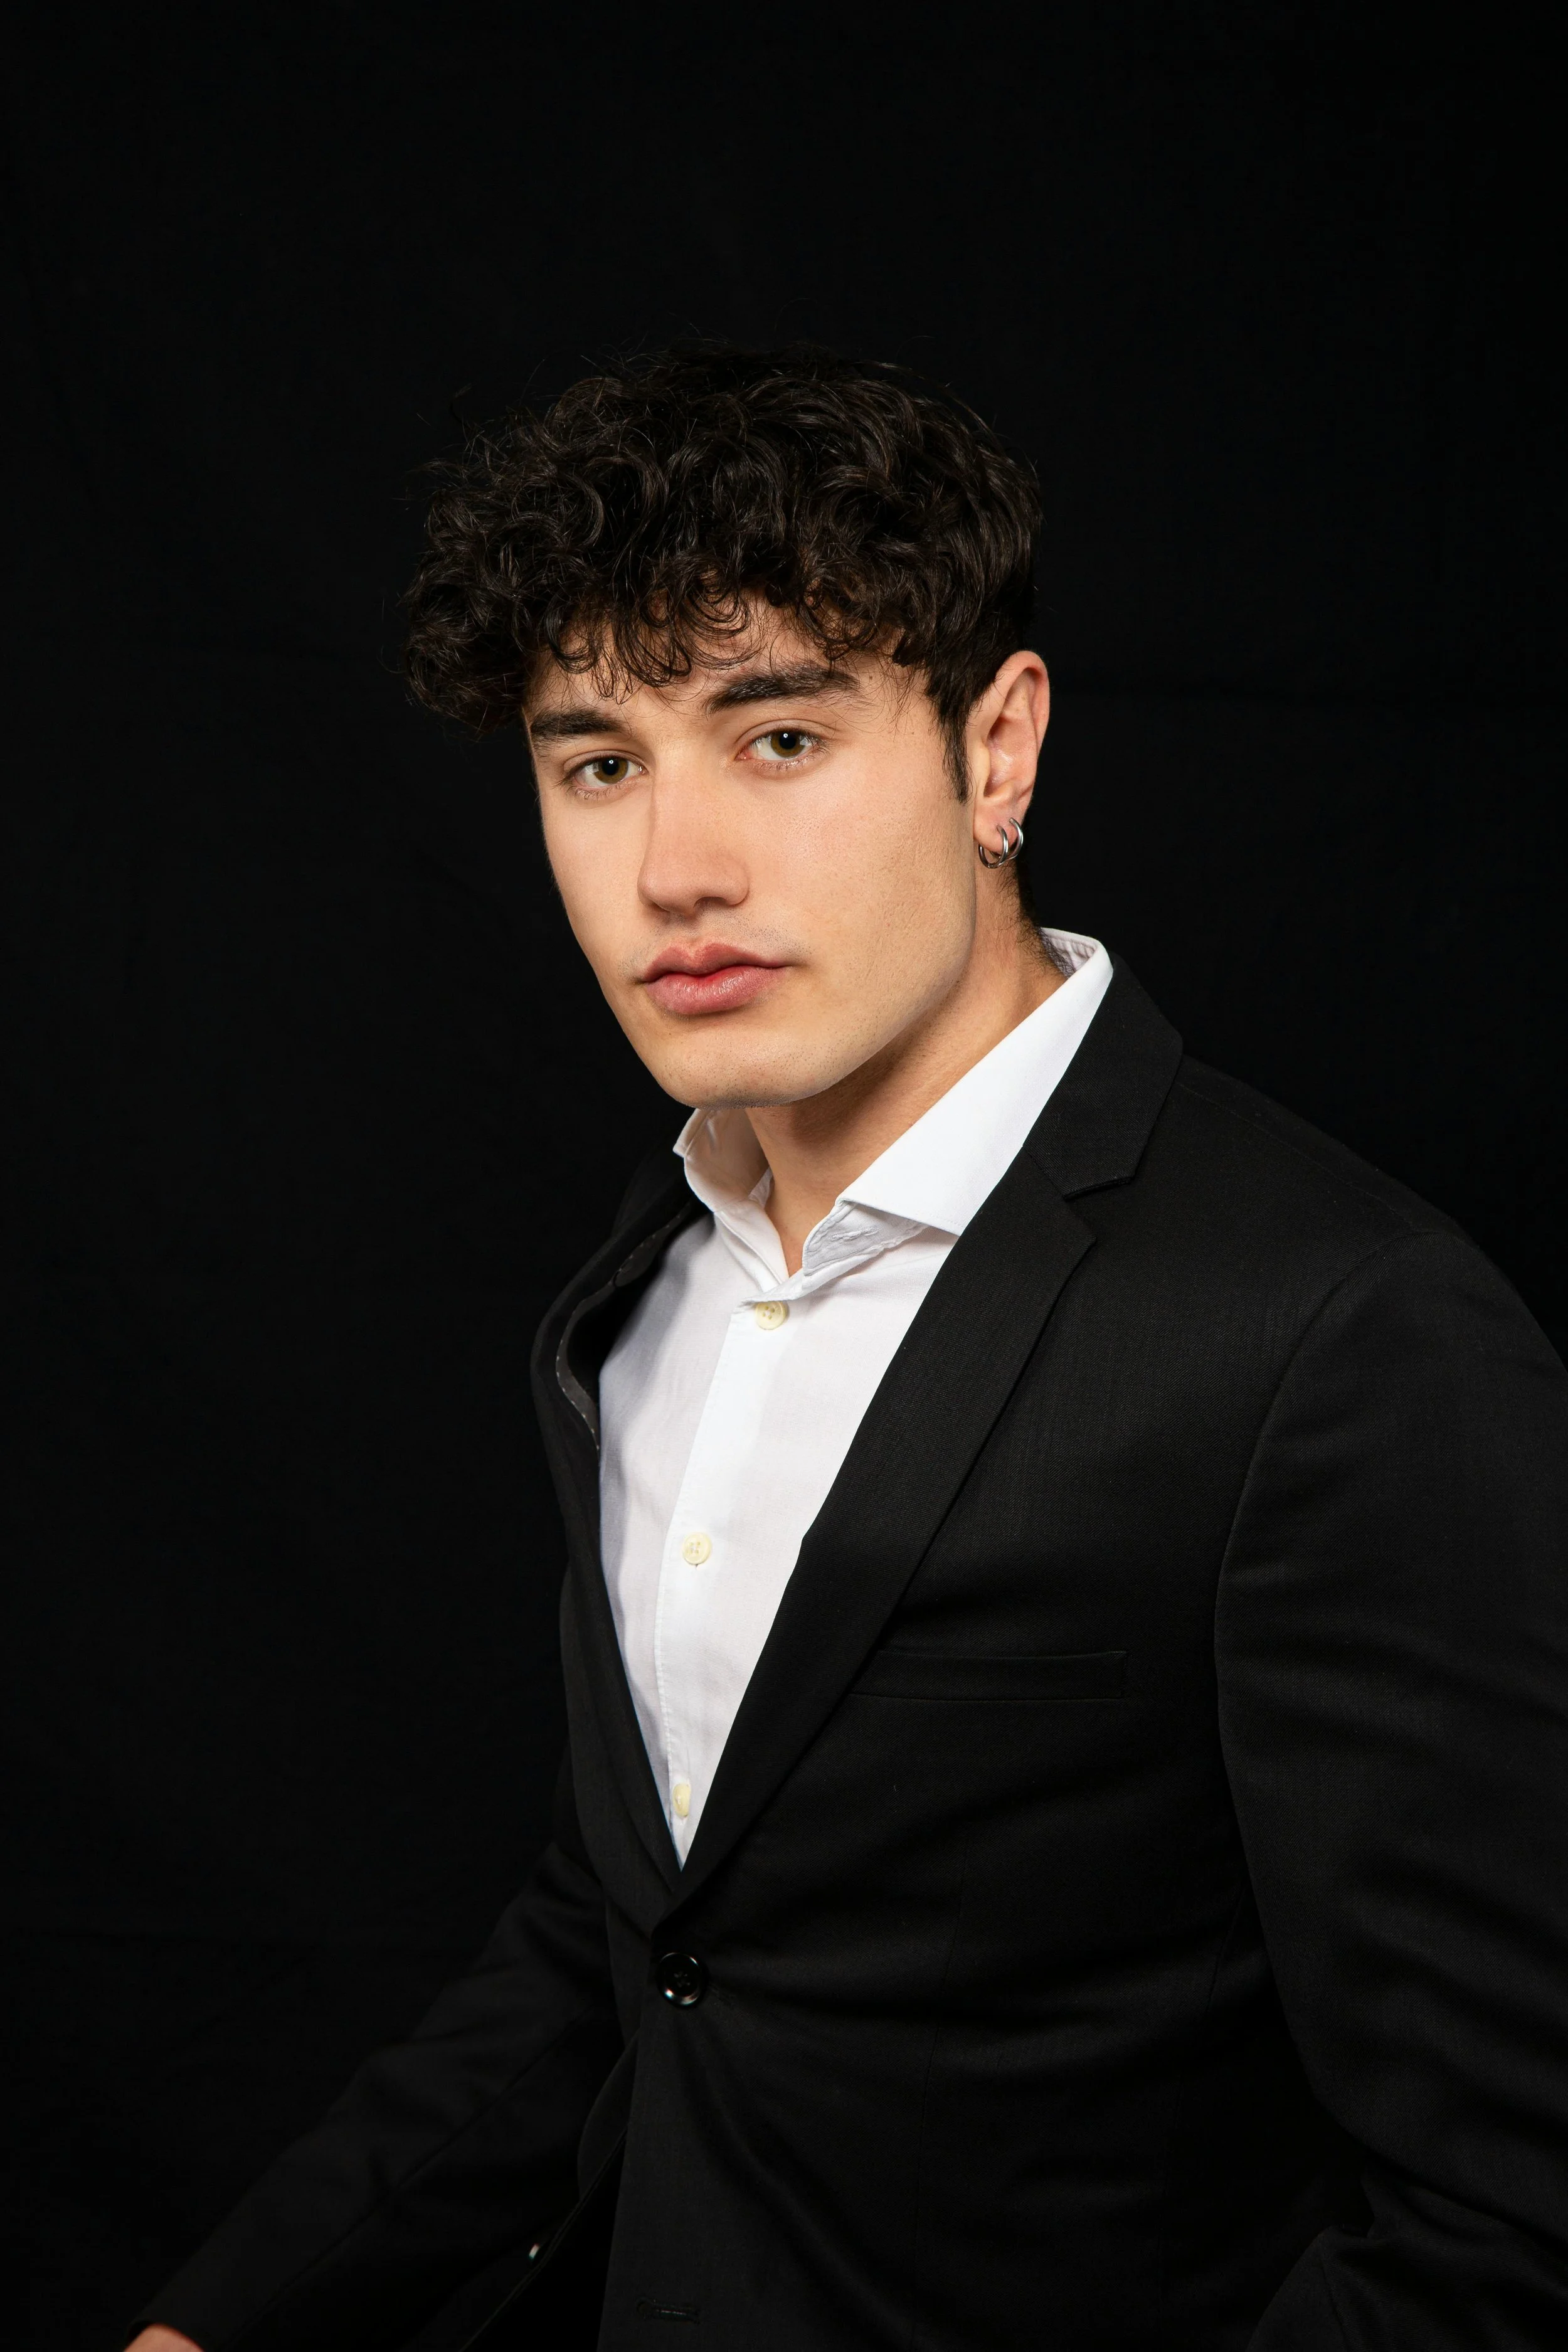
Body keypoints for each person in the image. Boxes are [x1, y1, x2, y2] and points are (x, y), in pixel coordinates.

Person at [129, 347, 1568, 2351]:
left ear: (998, 752)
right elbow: (637, 1934)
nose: (674, 869)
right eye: (597, 760)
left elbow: (1512, 2207)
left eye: (778, 736)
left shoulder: (1339, 1332)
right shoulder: (648, 1280)